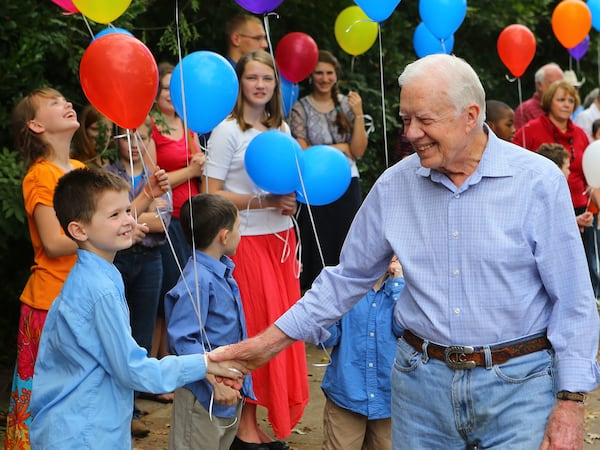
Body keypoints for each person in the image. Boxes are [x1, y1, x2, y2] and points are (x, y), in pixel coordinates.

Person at [211, 54, 600, 450]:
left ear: (470, 115)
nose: (411, 133)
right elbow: (346, 279)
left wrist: (570, 402)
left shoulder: (537, 182)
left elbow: (573, 300)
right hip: (420, 390)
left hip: (521, 389)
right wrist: (262, 346)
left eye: (424, 120)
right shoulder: (395, 185)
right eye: (405, 119)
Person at [29, 168, 246, 450]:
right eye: (114, 215)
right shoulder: (99, 288)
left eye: (128, 210)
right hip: (81, 433)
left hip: (84, 425)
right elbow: (134, 371)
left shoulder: (100, 275)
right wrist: (204, 363)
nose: (129, 220)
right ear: (79, 230)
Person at [204, 50, 308, 450]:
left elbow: (285, 182)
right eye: (252, 78)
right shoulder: (227, 130)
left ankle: (262, 417)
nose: (261, 85)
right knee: (253, 333)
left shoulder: (280, 129)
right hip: (245, 243)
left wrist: (290, 202)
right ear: (239, 84)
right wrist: (264, 203)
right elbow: (209, 194)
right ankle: (245, 427)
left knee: (281, 333)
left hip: (283, 243)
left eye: (268, 78)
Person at [3, 87, 86, 450]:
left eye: (65, 99)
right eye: (55, 103)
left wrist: (143, 198)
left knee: (79, 395)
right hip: (49, 304)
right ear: (36, 125)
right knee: (42, 399)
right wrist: (106, 234)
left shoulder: (82, 171)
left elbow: (107, 223)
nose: (67, 103)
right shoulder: (40, 177)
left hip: (83, 299)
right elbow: (54, 243)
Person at [165, 193, 254, 450]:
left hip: (227, 392)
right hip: (203, 396)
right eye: (238, 228)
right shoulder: (197, 279)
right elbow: (183, 340)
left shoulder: (222, 271)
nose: (241, 234)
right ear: (224, 236)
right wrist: (215, 383)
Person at [106, 118, 173, 437]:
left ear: (150, 140)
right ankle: (112, 407)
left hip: (150, 260)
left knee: (142, 336)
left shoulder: (155, 176)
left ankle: (130, 408)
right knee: (115, 330)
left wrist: (126, 217)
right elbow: (106, 220)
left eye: (141, 137)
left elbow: (164, 221)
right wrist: (140, 212)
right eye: (126, 136)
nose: (133, 143)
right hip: (117, 259)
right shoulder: (107, 175)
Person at [512, 80, 599, 296]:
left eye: (571, 100)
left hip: (579, 207)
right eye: (561, 99)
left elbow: (590, 171)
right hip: (542, 208)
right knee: (552, 266)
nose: (567, 104)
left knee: (584, 265)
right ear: (549, 101)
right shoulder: (530, 130)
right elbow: (513, 164)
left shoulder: (579, 133)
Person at [290, 50, 368, 290]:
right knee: (317, 243)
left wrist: (357, 113)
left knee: (345, 242)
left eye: (329, 73)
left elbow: (357, 150)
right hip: (315, 186)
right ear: (310, 76)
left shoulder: (347, 105)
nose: (324, 78)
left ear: (337, 75)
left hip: (347, 184)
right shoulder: (300, 108)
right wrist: (340, 147)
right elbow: (303, 151)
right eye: (319, 73)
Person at [151, 62, 205, 394]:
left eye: (175, 89)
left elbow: (202, 166)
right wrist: (188, 172)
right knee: (168, 293)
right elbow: (154, 182)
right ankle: (159, 368)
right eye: (164, 88)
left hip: (193, 216)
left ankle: (175, 362)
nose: (170, 95)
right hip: (166, 218)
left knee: (188, 290)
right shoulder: (151, 129)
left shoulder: (189, 123)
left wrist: (195, 171)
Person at [319, 257, 404, 450]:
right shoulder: (346, 286)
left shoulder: (404, 287)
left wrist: (398, 282)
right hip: (347, 393)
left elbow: (405, 329)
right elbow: (327, 340)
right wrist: (326, 309)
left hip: (389, 397)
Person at [536, 142, 594, 231]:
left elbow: (558, 222)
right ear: (556, 169)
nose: (569, 172)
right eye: (567, 168)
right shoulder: (545, 197)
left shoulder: (554, 193)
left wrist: (576, 221)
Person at [514, 62, 563, 130]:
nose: (559, 88)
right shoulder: (524, 110)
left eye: (562, 84)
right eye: (554, 84)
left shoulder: (564, 107)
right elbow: (519, 139)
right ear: (539, 85)